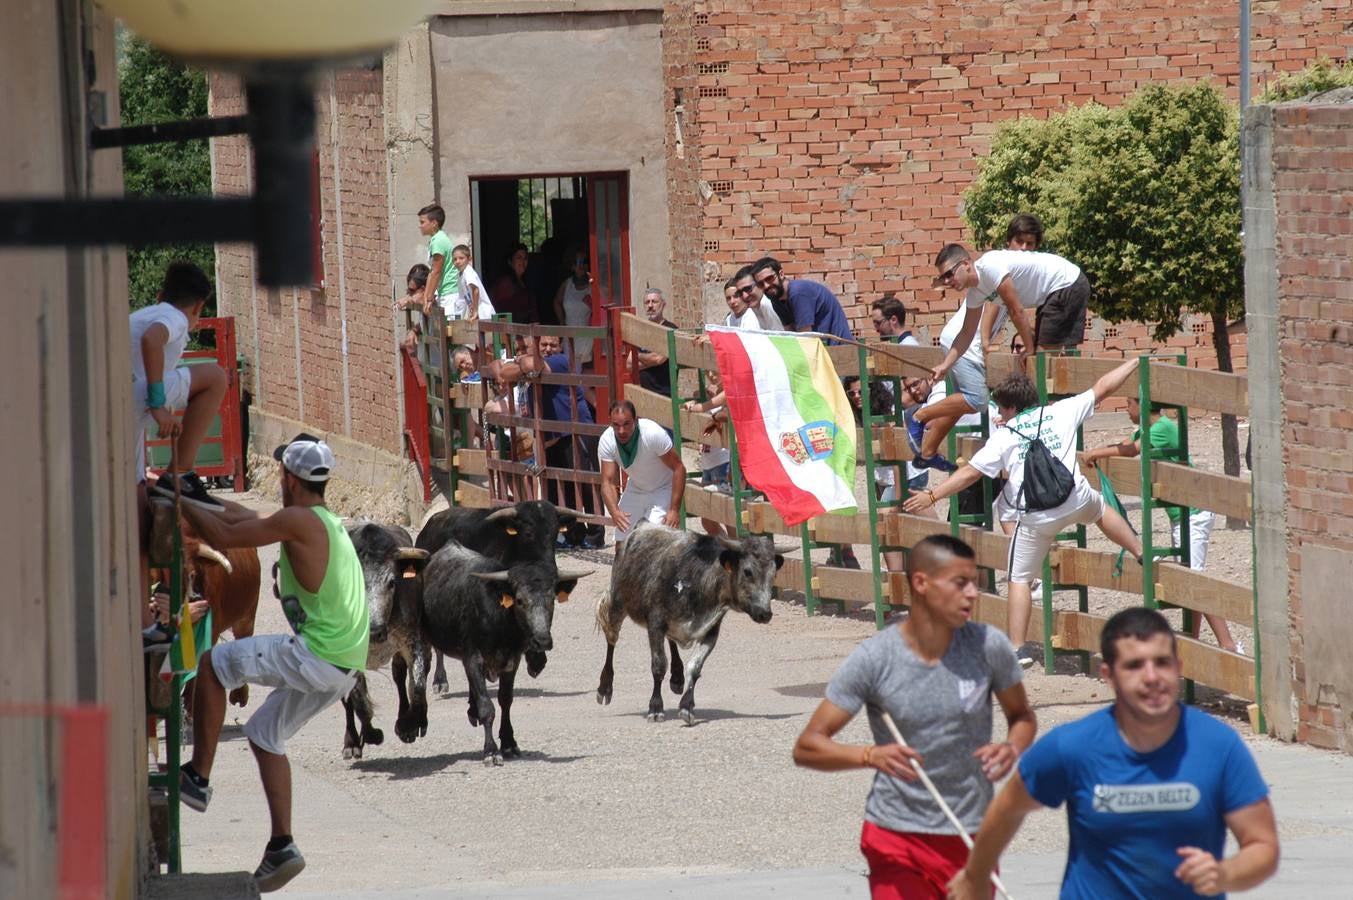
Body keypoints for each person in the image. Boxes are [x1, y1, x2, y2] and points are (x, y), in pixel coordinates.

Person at [947, 607, 1279, 900]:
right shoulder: (1072, 746)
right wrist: (975, 876)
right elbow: (1007, 808)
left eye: (1161, 663)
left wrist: (1225, 874)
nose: (1151, 678)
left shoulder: (1218, 745)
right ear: (1108, 675)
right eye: (1134, 665)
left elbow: (1262, 847)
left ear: (1178, 666)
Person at [793, 535, 1037, 900]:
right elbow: (808, 747)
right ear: (921, 583)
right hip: (896, 837)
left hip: (973, 836)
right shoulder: (875, 658)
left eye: (975, 582)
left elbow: (1022, 716)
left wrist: (1011, 747)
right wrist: (868, 755)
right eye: (960, 583)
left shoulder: (989, 646)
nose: (973, 593)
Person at [177, 434, 368, 893]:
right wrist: (194, 492)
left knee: (212, 665)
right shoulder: (321, 519)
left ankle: (197, 777)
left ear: (288, 478)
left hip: (317, 654)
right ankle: (282, 843)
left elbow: (223, 534)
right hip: (343, 666)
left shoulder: (299, 521)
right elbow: (243, 515)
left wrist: (175, 496)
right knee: (264, 735)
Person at [904, 358, 1146, 668]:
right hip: (1073, 497)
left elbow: (970, 475)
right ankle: (1140, 550)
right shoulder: (1061, 410)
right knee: (1099, 506)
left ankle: (1019, 648)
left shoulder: (1004, 436)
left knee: (1018, 578)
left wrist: (932, 494)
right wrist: (1133, 363)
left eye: (1002, 410)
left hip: (1036, 517)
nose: (1000, 416)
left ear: (1009, 408)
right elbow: (1103, 386)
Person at [1079, 398, 1242, 655]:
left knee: (1194, 580)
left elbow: (1132, 449)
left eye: (1129, 404)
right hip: (1183, 515)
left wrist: (1096, 453)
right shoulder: (1148, 428)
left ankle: (1228, 645)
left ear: (1140, 405)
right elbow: (1125, 444)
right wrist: (1099, 450)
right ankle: (1195, 642)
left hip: (1193, 514)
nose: (1125, 410)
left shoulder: (1162, 428)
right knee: (1190, 578)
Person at [490, 335, 606, 549]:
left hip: (575, 431)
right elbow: (498, 369)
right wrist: (520, 365)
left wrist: (521, 364)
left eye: (553, 344)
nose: (549, 349)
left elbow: (528, 365)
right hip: (552, 436)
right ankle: (572, 535)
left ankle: (596, 533)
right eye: (543, 345)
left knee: (584, 485)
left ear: (561, 346)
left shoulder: (561, 361)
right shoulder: (534, 363)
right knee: (558, 487)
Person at [928, 242, 1088, 390]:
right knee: (1040, 360)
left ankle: (1047, 409)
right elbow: (966, 333)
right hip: (1051, 294)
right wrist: (945, 365)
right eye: (943, 278)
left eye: (949, 274)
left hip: (1067, 283)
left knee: (1040, 359)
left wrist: (1029, 348)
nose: (947, 281)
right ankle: (1045, 406)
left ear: (966, 264)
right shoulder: (975, 293)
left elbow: (1016, 311)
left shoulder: (990, 267)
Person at [134, 261, 228, 512]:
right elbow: (151, 339)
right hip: (134, 396)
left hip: (117, 404)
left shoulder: (145, 314)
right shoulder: (175, 317)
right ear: (199, 306)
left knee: (138, 494)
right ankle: (179, 473)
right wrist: (158, 404)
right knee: (216, 377)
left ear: (160, 296)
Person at [597, 400, 686, 548]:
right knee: (622, 541)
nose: (621, 431)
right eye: (616, 425)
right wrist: (614, 511)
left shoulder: (652, 433)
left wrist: (674, 510)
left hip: (663, 487)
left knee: (653, 540)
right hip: (636, 486)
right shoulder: (607, 440)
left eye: (626, 424)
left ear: (636, 420)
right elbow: (607, 482)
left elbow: (679, 468)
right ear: (610, 423)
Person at [752, 256, 853, 343]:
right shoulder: (776, 298)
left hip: (838, 348)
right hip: (821, 349)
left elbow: (805, 337)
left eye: (769, 279)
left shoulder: (798, 292)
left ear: (781, 274)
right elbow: (790, 333)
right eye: (760, 284)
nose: (766, 286)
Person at [553, 248, 595, 366]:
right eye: (577, 262)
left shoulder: (593, 285)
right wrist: (562, 323)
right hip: (569, 334)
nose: (581, 265)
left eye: (584, 261)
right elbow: (557, 302)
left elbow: (601, 308)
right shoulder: (567, 284)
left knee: (587, 372)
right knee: (571, 370)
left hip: (589, 336)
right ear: (572, 266)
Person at [416, 204, 458, 317]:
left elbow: (436, 271)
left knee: (449, 332)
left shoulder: (439, 241)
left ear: (434, 223)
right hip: (443, 293)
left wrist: (428, 299)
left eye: (422, 222)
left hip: (449, 294)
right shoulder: (435, 240)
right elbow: (432, 272)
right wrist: (426, 296)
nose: (420, 226)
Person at [634, 288, 677, 398]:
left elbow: (658, 358)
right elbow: (629, 364)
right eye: (647, 302)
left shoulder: (671, 330)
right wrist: (651, 359)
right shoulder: (640, 330)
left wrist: (637, 356)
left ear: (663, 304)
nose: (650, 305)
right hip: (642, 394)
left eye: (654, 301)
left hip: (664, 395)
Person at [491, 242, 535, 324]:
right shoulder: (505, 283)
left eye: (525, 258)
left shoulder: (524, 282)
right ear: (510, 261)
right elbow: (502, 313)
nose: (523, 261)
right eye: (519, 258)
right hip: (510, 332)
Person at [731, 266, 786, 330]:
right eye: (740, 292)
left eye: (748, 289)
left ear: (759, 284)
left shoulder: (768, 304)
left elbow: (781, 336)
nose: (745, 296)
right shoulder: (754, 306)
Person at [450, 244, 495, 321]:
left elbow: (475, 289)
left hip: (484, 314)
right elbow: (462, 299)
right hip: (478, 315)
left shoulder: (468, 271)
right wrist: (456, 318)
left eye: (461, 258)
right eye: (455, 259)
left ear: (469, 259)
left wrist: (475, 311)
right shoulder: (460, 275)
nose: (457, 261)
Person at [397, 263, 431, 357]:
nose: (409, 296)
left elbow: (436, 326)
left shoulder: (435, 303)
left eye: (412, 291)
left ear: (424, 289)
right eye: (408, 291)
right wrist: (414, 330)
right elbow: (426, 323)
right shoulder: (421, 303)